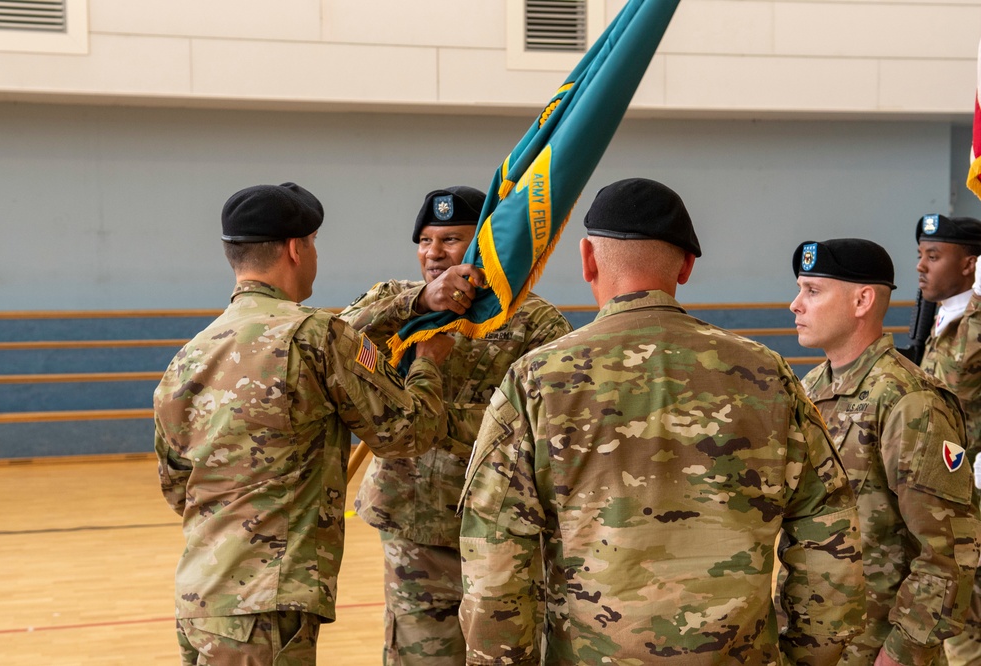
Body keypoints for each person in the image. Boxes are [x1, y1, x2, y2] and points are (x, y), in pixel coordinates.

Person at [458, 177, 866, 665]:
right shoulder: (767, 375)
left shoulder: (537, 381)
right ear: (687, 265)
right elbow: (829, 534)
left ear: (587, 259)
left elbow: (494, 552)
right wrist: (808, 657)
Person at [153, 182, 454, 665]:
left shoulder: (190, 355)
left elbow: (177, 488)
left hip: (200, 599)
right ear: (296, 249)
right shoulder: (315, 335)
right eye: (313, 244)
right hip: (268, 601)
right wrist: (427, 363)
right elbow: (409, 433)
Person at [339, 185, 573, 664]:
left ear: (484, 247)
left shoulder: (535, 324)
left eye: (450, 240)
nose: (433, 253)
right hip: (412, 529)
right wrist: (418, 303)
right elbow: (333, 347)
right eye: (425, 241)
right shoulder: (395, 302)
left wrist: (425, 420)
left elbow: (543, 426)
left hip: (498, 533)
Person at [790, 237, 981, 665]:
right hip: (812, 644)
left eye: (813, 291)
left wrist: (902, 653)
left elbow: (948, 552)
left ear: (862, 301)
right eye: (800, 289)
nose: (795, 305)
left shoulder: (911, 402)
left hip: (876, 650)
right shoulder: (811, 388)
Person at [914, 214, 981, 665]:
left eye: (934, 256)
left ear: (971, 263)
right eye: (920, 255)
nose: (921, 266)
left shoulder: (974, 320)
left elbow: (963, 387)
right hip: (948, 490)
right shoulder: (941, 317)